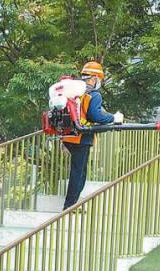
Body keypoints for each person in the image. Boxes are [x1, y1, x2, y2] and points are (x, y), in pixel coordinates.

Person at [61, 61, 124, 209]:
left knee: (78, 171)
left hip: (69, 136)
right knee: (79, 173)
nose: (99, 82)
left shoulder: (75, 92)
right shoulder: (93, 95)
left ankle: (72, 204)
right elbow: (96, 116)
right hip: (82, 137)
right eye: (99, 79)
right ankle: (69, 206)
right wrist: (114, 118)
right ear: (93, 78)